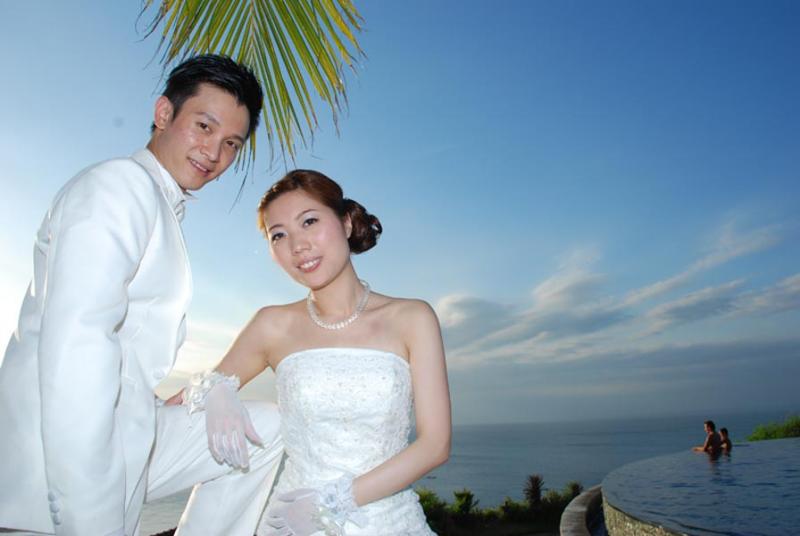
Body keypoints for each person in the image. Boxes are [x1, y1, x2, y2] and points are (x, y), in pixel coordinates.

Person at [0, 55, 283, 536]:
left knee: (266, 430)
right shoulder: (120, 185)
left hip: (131, 430)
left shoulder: (158, 202)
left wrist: (158, 403)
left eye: (231, 144)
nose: (213, 152)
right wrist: (91, 522)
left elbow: (126, 342)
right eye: (204, 126)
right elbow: (79, 344)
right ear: (164, 113)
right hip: (59, 462)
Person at [175, 169, 452, 535]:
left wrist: (331, 503)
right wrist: (215, 390)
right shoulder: (272, 324)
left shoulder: (413, 318)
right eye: (278, 235)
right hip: (289, 522)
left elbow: (435, 445)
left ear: (347, 222)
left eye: (309, 221)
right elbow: (181, 405)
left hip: (387, 522)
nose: (297, 245)